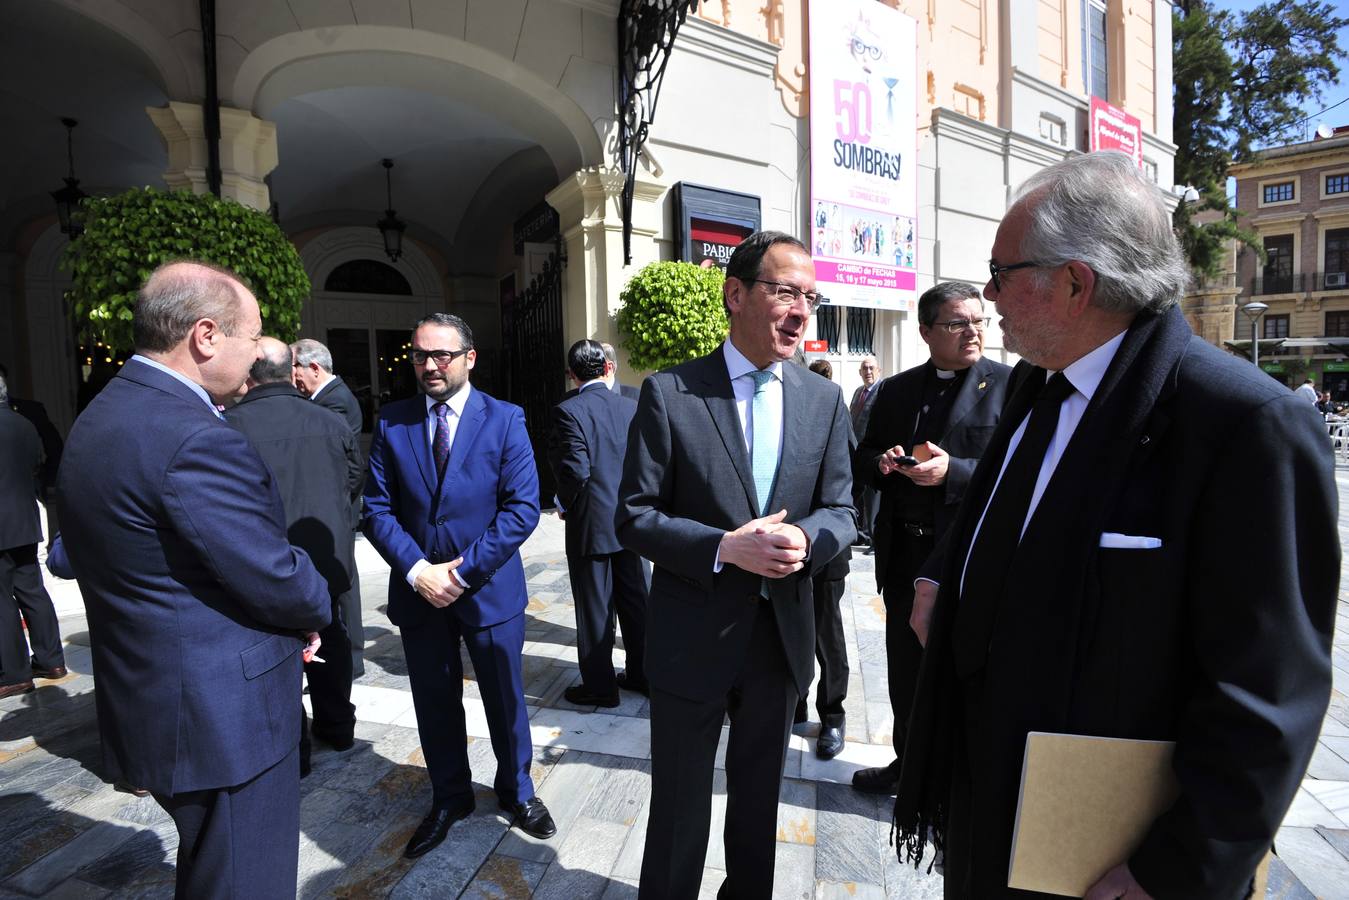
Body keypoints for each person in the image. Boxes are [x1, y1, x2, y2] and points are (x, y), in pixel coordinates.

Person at [893, 152, 1339, 899]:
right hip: (989, 803)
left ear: (1075, 282)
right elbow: (1000, 513)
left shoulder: (1241, 424)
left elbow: (1268, 692)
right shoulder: (1038, 384)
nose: (989, 294)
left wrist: (1175, 870)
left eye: (1001, 273)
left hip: (1105, 853)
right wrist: (949, 568)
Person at [57, 261, 331, 899]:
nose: (260, 353)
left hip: (157, 699)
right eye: (251, 335)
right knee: (244, 882)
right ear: (206, 336)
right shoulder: (195, 436)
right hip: (221, 715)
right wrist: (315, 606)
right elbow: (271, 572)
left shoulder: (105, 413)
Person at [617, 230, 855, 899]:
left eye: (810, 296)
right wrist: (723, 548)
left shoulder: (822, 399)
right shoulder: (671, 393)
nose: (800, 310)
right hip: (691, 636)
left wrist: (809, 541)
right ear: (735, 295)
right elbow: (632, 516)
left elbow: (841, 509)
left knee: (758, 804)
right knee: (679, 806)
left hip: (779, 640)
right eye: (785, 292)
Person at [362, 312, 556, 857]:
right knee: (433, 698)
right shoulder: (394, 421)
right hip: (420, 592)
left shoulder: (506, 418)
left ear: (469, 358)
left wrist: (463, 571)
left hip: (488, 588)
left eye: (441, 355)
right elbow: (376, 510)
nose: (429, 365)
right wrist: (419, 571)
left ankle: (517, 791)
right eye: (420, 354)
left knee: (505, 698)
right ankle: (450, 797)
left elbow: (521, 510)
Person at [850, 282, 1011, 796]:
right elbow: (863, 454)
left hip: (967, 556)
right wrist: (880, 462)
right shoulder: (896, 390)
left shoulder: (1012, 384)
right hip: (905, 553)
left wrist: (955, 473)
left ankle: (962, 776)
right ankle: (910, 765)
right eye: (957, 323)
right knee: (906, 671)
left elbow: (1018, 470)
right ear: (925, 331)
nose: (973, 331)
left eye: (979, 321)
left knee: (967, 670)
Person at [225, 338, 364, 769]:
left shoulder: (228, 427)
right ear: (290, 371)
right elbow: (353, 482)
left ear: (249, 373)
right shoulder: (329, 422)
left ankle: (297, 748)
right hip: (324, 558)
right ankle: (338, 727)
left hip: (267, 565)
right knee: (331, 641)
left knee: (282, 655)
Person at [546, 339, 648, 707]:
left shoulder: (568, 410)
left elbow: (575, 470)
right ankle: (642, 674)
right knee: (636, 603)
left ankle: (601, 687)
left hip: (591, 523)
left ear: (572, 375)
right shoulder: (630, 405)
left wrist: (561, 501)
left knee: (594, 609)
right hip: (630, 522)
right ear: (607, 368)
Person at [291, 338, 367, 677]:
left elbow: (349, 469)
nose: (292, 377)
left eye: (295, 368)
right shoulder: (324, 398)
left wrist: (334, 505)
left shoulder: (335, 402)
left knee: (344, 582)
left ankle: (351, 659)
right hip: (334, 509)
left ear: (314, 367)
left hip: (339, 510)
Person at [796, 358, 852, 760]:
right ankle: (793, 702)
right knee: (784, 634)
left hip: (823, 549)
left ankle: (832, 714)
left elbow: (845, 484)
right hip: (775, 548)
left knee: (826, 637)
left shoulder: (831, 406)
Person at [0, 373, 66, 698]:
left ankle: (14, 673)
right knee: (31, 589)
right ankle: (52, 660)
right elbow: (40, 461)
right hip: (25, 518)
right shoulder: (23, 423)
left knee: (2, 599)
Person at [849, 356, 882, 546]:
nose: (868, 372)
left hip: (873, 452)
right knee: (856, 494)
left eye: (871, 368)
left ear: (878, 370)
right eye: (864, 368)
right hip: (856, 452)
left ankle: (873, 537)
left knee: (872, 496)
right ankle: (860, 532)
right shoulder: (858, 392)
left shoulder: (882, 390)